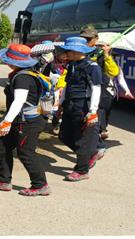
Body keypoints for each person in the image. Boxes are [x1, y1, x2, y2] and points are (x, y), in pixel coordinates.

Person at [0, 43, 50, 196]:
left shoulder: (22, 77)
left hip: (27, 122)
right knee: (3, 146)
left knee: (26, 152)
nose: (5, 61)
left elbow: (19, 101)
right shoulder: (24, 73)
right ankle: (3, 180)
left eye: (7, 59)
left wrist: (6, 121)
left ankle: (40, 185)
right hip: (20, 119)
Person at [58, 37, 102, 182]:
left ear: (77, 51)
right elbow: (66, 85)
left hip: (83, 107)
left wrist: (92, 111)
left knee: (82, 141)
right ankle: (91, 152)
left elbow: (96, 89)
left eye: (68, 50)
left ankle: (82, 170)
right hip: (69, 105)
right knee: (64, 135)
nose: (66, 53)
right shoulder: (72, 65)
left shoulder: (92, 67)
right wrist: (60, 103)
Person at [80, 26, 119, 154]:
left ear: (96, 39)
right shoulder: (79, 51)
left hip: (99, 92)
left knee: (94, 120)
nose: (86, 41)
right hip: (83, 91)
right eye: (84, 38)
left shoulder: (103, 53)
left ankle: (98, 147)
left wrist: (106, 55)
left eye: (89, 39)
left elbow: (114, 71)